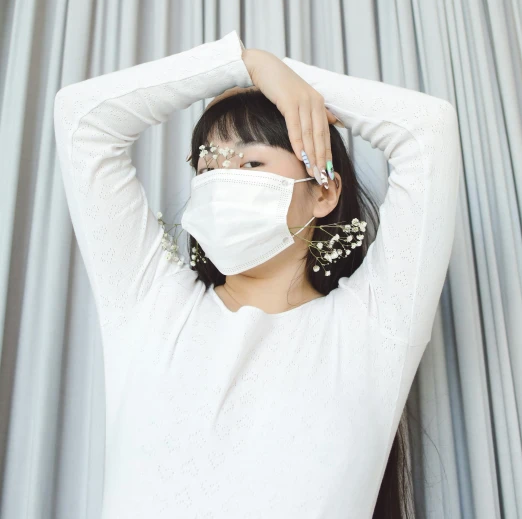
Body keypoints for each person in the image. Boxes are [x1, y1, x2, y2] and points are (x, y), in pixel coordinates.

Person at [53, 30, 461, 518]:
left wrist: (286, 80)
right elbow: (83, 118)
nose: (222, 179)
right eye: (208, 166)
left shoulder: (372, 329)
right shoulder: (150, 305)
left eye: (250, 161)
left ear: (324, 191)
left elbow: (428, 129)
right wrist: (248, 65)